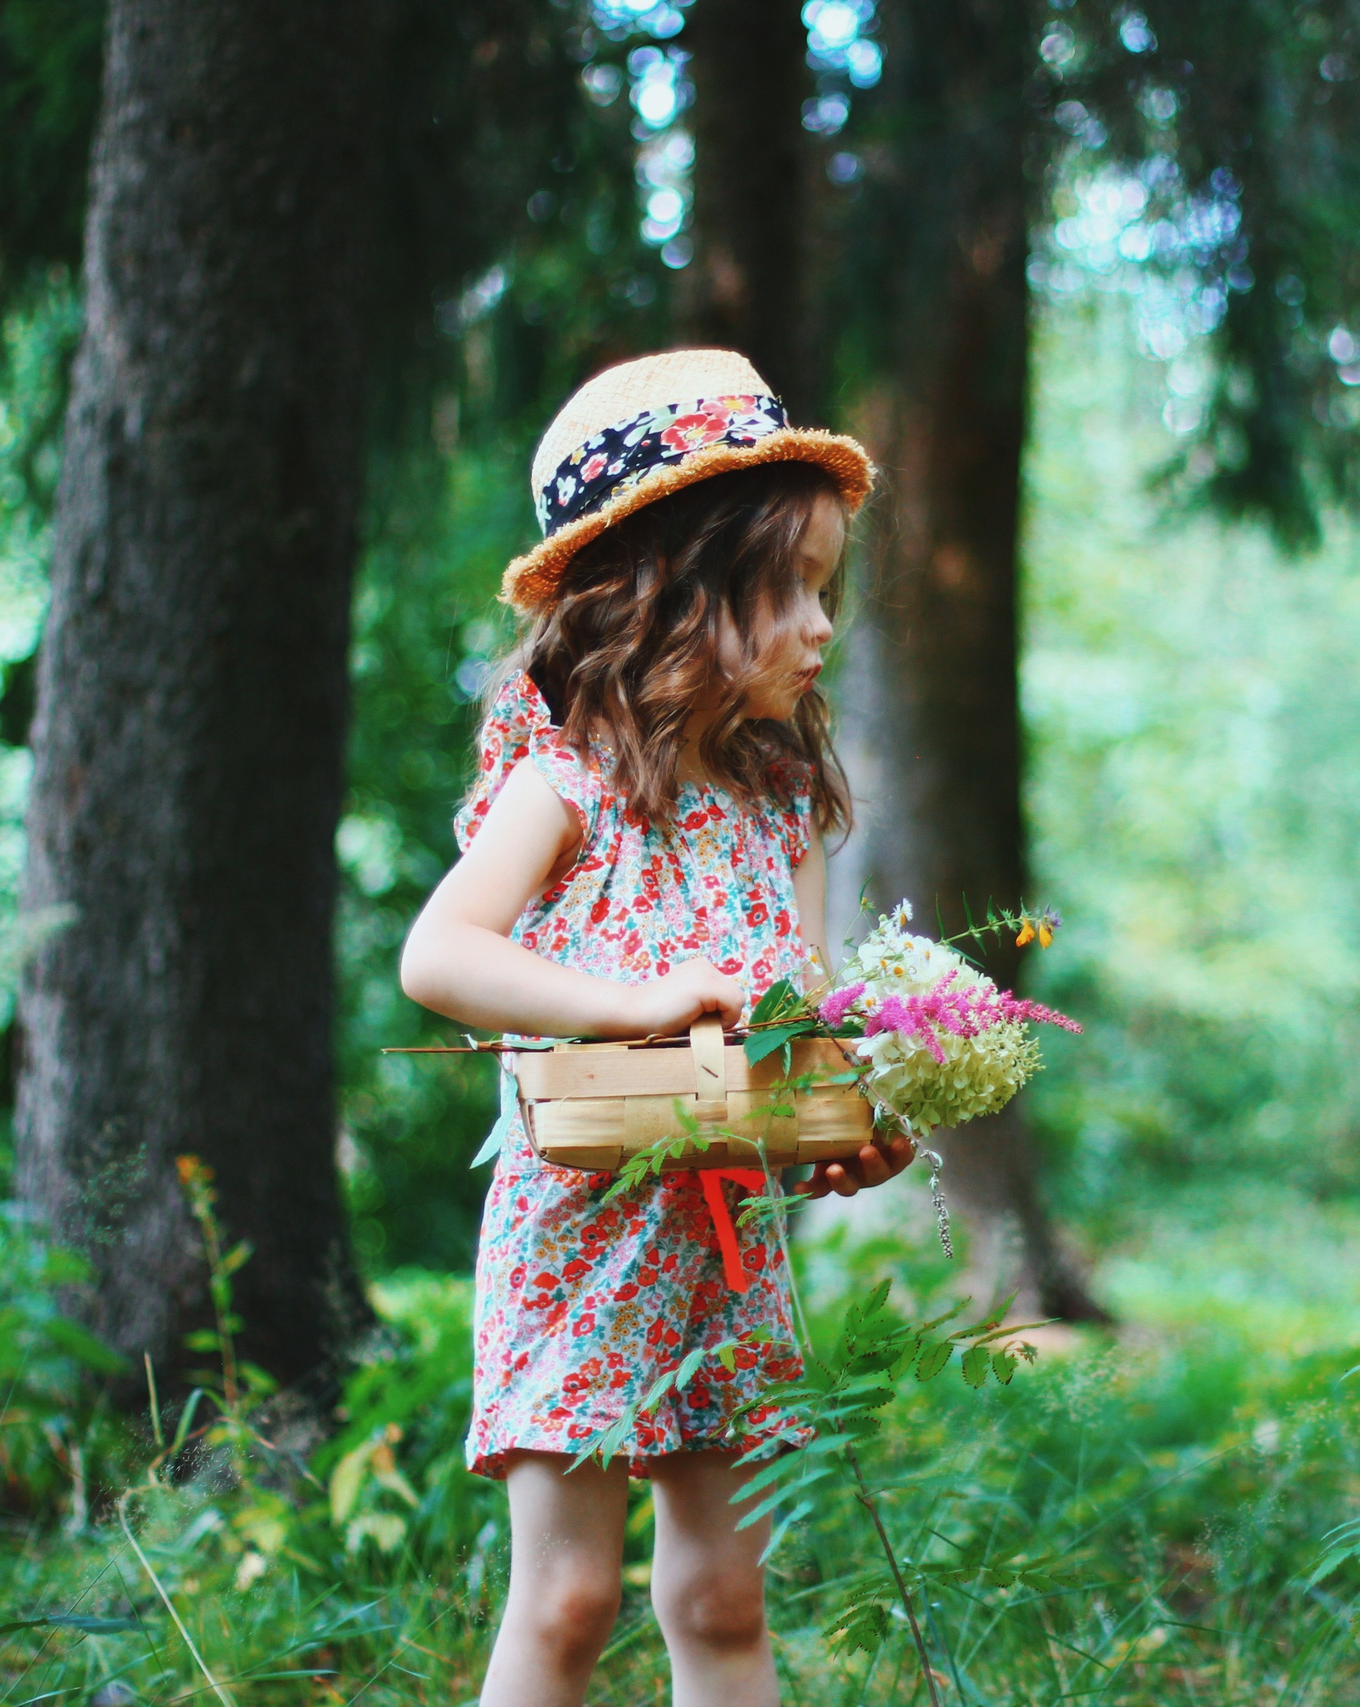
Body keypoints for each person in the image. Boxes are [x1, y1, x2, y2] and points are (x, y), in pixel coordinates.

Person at [400, 349, 918, 1707]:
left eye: (826, 588)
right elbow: (440, 955)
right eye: (787, 587)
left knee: (722, 1590)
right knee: (567, 1600)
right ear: (668, 593)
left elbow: (790, 1031)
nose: (820, 626)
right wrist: (629, 1004)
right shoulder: (562, 781)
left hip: (722, 1247)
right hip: (574, 1235)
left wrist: (847, 1125)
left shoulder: (783, 804)